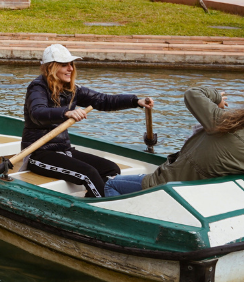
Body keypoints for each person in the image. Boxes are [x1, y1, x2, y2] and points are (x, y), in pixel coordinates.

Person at [23, 44, 153, 198]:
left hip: (64, 150)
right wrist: (67, 112)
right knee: (89, 173)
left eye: (71, 64)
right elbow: (37, 113)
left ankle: (94, 203)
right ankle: (104, 207)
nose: (70, 68)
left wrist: (135, 102)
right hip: (38, 154)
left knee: (111, 169)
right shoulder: (37, 88)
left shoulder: (71, 90)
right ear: (50, 68)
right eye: (64, 65)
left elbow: (103, 100)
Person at [106, 89, 244, 197]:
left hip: (171, 184)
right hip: (199, 192)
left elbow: (193, 94)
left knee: (110, 184)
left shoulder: (227, 124)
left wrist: (216, 97)